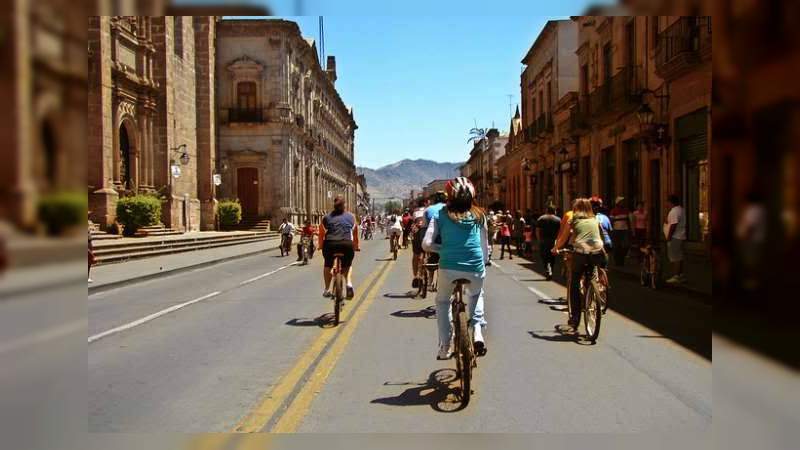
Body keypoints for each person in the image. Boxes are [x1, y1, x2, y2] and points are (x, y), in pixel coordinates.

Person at [422, 177, 489, 360]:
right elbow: (485, 246)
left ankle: (445, 345)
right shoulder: (479, 215)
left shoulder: (440, 215)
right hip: (475, 266)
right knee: (476, 294)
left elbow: (426, 244)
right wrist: (484, 261)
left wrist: (441, 249)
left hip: (448, 267)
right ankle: (477, 333)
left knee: (443, 302)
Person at [552, 198, 606, 334]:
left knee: (574, 283)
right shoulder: (595, 220)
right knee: (592, 274)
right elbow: (602, 237)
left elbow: (563, 238)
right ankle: (594, 290)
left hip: (581, 253)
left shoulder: (573, 220)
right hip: (597, 252)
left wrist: (555, 248)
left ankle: (575, 319)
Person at [318, 196, 360, 299]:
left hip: (330, 244)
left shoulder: (326, 217)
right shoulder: (351, 217)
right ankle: (349, 283)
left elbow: (321, 233)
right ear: (344, 206)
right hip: (346, 244)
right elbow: (355, 234)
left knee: (328, 264)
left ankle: (327, 289)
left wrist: (320, 246)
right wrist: (356, 246)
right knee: (348, 264)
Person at [664, 194, 686, 284]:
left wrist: (669, 237)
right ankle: (680, 275)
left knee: (674, 257)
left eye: (668, 202)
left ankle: (676, 276)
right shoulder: (681, 209)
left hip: (675, 237)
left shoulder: (674, 211)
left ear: (671, 202)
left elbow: (673, 225)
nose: (667, 204)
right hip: (681, 236)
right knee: (679, 256)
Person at [536, 206, 561, 279]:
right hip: (553, 240)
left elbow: (537, 230)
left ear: (547, 210)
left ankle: (547, 269)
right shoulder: (558, 219)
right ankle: (551, 270)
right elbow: (560, 231)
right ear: (554, 211)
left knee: (544, 256)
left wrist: (538, 239)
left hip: (543, 240)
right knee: (552, 256)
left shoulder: (541, 218)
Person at [411, 198, 429, 288]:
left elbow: (413, 223)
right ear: (426, 203)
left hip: (418, 234)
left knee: (415, 256)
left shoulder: (415, 212)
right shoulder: (429, 210)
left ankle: (416, 276)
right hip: (428, 234)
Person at [609, 196, 631, 266]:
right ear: (618, 203)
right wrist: (611, 230)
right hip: (616, 230)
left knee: (625, 246)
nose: (623, 203)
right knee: (616, 247)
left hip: (625, 230)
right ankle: (617, 261)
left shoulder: (626, 210)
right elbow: (611, 221)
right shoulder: (613, 211)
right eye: (621, 202)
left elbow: (629, 220)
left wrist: (630, 229)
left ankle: (622, 259)